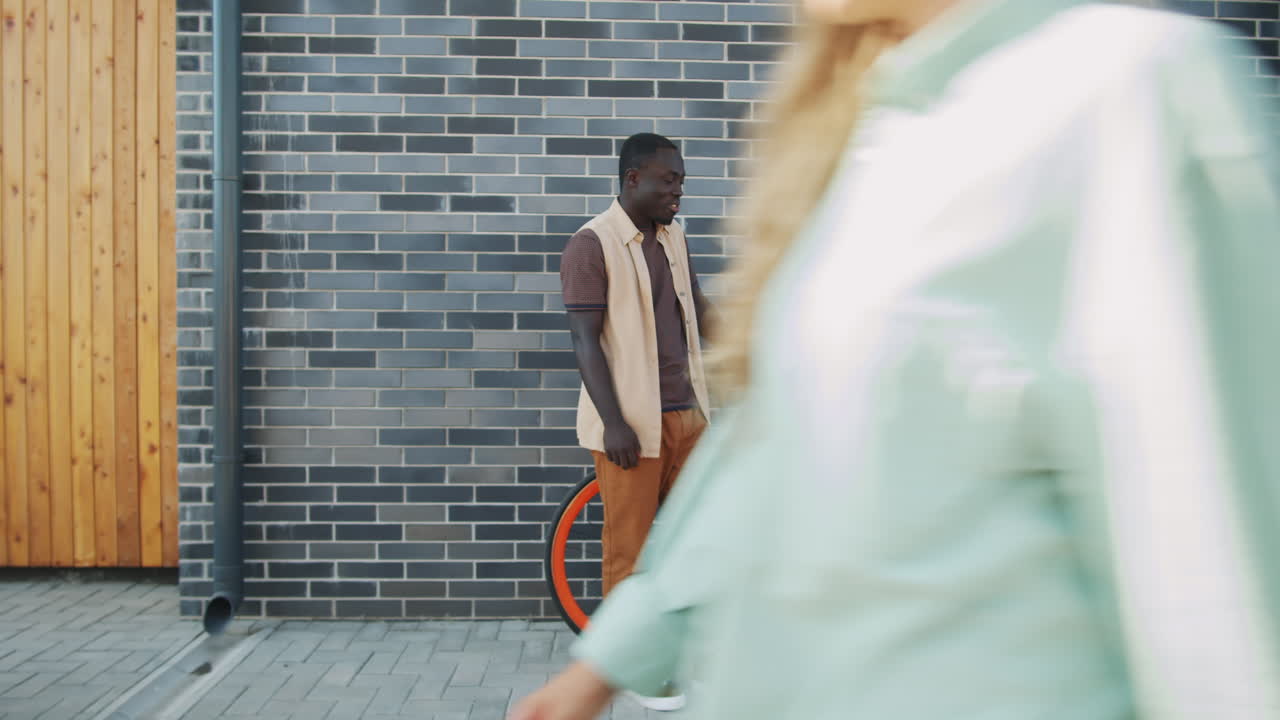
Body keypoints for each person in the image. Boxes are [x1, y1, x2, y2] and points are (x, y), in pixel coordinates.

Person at [514, 0, 1280, 719]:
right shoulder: (878, 133)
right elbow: (781, 451)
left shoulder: (1127, 91)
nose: (679, 192)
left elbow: (1217, 601)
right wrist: (608, 662)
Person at [557, 133, 713, 709]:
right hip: (632, 425)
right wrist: (614, 422)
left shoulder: (673, 236)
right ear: (633, 180)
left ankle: (674, 654)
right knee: (628, 551)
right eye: (668, 180)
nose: (679, 191)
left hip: (689, 416)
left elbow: (697, 306)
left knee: (690, 541)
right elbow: (583, 340)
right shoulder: (590, 245)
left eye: (681, 181)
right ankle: (632, 675)